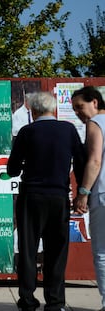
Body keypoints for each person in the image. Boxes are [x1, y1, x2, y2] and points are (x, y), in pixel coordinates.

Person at [7, 92, 85, 311]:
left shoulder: (26, 131)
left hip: (31, 197)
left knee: (28, 249)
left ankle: (27, 300)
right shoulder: (68, 130)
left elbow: (12, 168)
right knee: (57, 251)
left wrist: (24, 166)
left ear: (32, 110)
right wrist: (81, 193)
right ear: (54, 110)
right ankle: (55, 301)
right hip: (59, 197)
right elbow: (80, 163)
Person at [72, 86, 105, 311]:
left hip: (102, 194)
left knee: (102, 253)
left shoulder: (96, 123)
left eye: (80, 107)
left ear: (95, 102)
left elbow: (94, 161)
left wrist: (83, 193)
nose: (78, 113)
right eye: (74, 110)